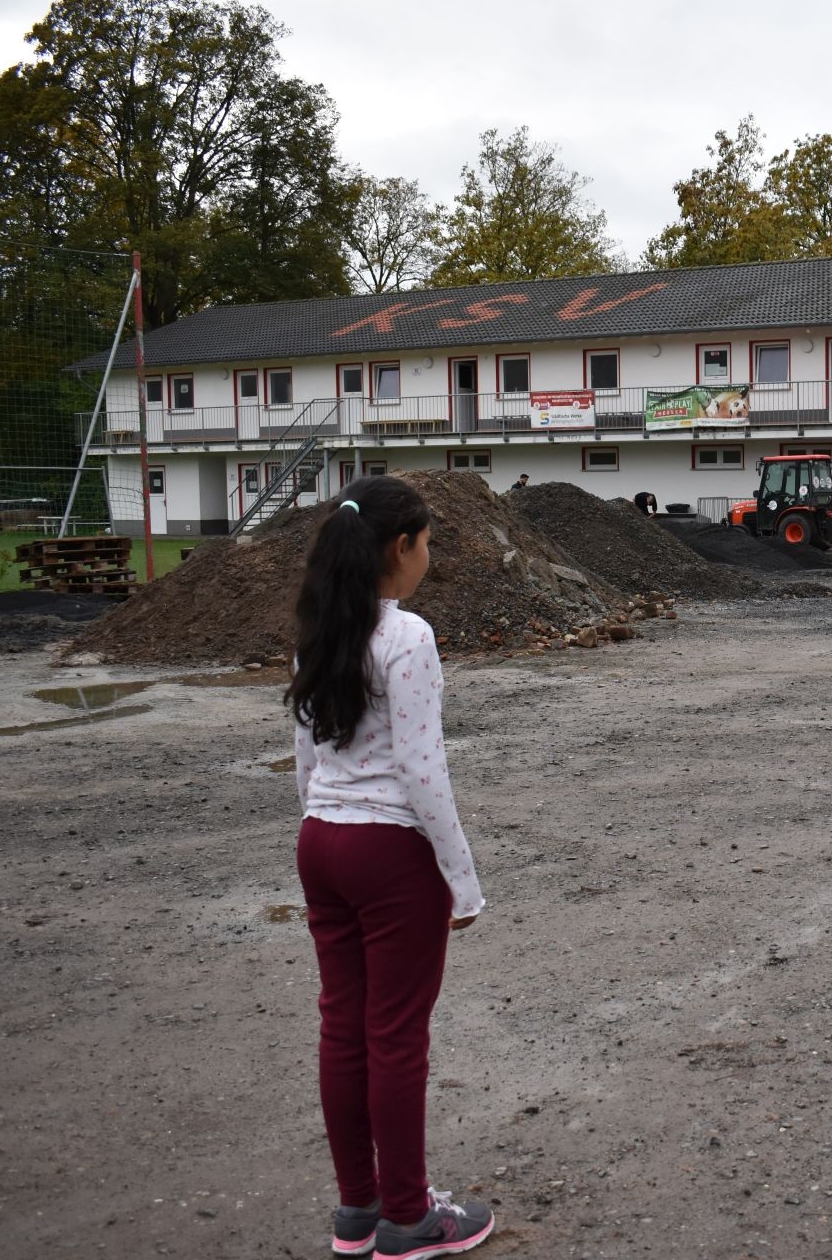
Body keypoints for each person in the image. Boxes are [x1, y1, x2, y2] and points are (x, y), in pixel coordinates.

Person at [285, 476, 495, 1259]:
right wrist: (462, 880)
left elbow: (306, 752)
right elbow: (421, 769)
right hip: (389, 853)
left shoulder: (319, 628)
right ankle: (409, 1219)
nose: (429, 558)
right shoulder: (407, 637)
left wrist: (323, 819)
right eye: (427, 543)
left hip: (322, 842)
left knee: (343, 1028)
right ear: (399, 547)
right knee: (397, 1036)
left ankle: (359, 1210)